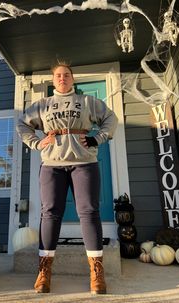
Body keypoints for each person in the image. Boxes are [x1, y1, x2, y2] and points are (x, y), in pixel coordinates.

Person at [17, 62, 118, 294]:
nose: (62, 78)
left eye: (67, 75)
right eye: (58, 75)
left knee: (89, 212)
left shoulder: (87, 102)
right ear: (53, 82)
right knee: (50, 213)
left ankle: (97, 273)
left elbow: (111, 119)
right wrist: (36, 142)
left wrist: (97, 139)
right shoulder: (42, 105)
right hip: (52, 165)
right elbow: (23, 125)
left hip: (84, 163)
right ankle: (44, 271)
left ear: (73, 79)